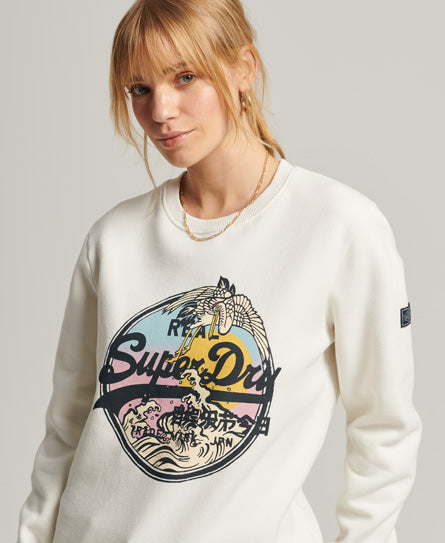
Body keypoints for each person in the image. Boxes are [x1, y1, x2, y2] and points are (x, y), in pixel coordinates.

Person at [16, 1, 422, 542]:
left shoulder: (340, 228)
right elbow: (67, 429)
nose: (160, 110)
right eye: (139, 88)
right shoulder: (113, 240)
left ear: (243, 69)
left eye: (185, 77)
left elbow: (384, 430)